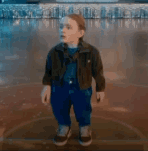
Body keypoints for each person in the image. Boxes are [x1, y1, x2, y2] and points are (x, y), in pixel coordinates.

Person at [41, 13, 106, 147]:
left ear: (80, 32)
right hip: (60, 88)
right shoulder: (54, 52)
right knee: (59, 108)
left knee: (83, 109)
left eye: (68, 27)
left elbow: (98, 72)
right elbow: (48, 71)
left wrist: (100, 88)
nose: (62, 30)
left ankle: (84, 127)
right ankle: (64, 126)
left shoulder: (92, 52)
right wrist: (46, 86)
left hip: (81, 88)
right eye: (61, 26)